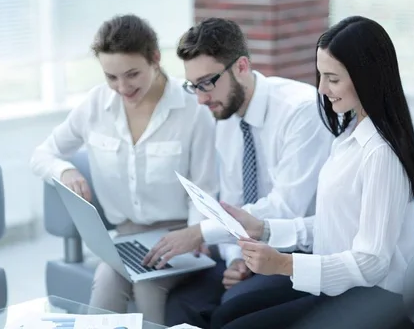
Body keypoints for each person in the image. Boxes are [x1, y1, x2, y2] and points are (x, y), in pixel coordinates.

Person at [204, 15, 414, 329]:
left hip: (373, 299)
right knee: (227, 314)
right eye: (320, 76)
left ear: (366, 77)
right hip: (337, 286)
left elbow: (372, 262)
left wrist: (283, 263)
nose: (321, 88)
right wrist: (264, 229)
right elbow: (336, 223)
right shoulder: (349, 135)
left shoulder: (380, 154)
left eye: (332, 79)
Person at [139, 18, 334, 327]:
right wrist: (235, 259)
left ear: (242, 66)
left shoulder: (300, 111)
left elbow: (285, 207)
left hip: (300, 252)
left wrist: (200, 232)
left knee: (230, 310)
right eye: (193, 86)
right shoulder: (225, 116)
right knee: (181, 304)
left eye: (207, 82)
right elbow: (233, 199)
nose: (201, 98)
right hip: (250, 251)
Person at [29, 14, 218, 325]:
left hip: (178, 236)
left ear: (155, 59)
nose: (122, 87)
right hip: (125, 237)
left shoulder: (192, 111)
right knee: (105, 283)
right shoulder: (95, 105)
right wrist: (64, 171)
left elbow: (204, 188)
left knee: (147, 286)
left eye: (132, 74)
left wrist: (196, 235)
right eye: (111, 77)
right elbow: (42, 155)